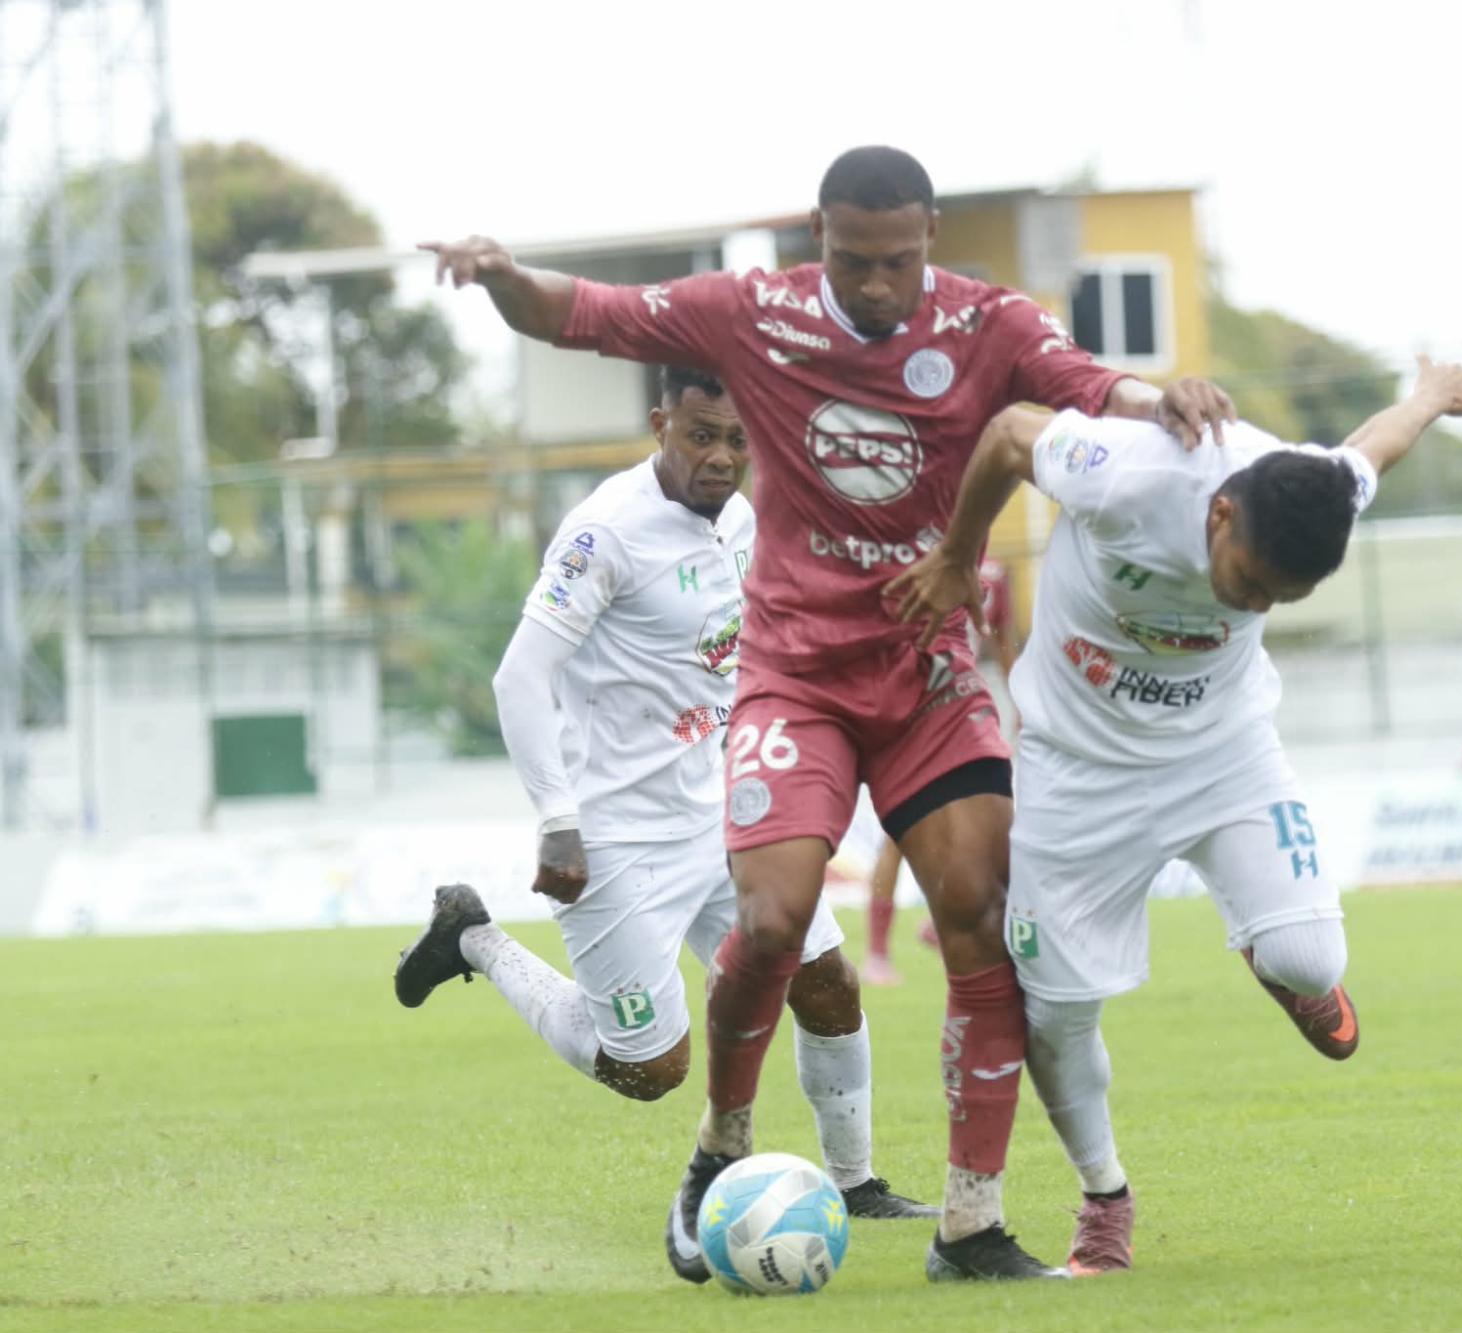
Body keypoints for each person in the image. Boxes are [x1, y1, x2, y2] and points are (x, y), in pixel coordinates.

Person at [420, 145, 1235, 1282]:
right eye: (853, 261)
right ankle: (719, 1148)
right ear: (818, 237)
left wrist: (1166, 396)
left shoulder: (983, 323)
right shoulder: (754, 320)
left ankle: (968, 1219)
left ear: (930, 240)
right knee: (761, 931)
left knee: (977, 917)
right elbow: (590, 313)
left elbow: (1090, 383)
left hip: (924, 679)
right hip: (789, 685)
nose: (875, 289)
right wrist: (501, 273)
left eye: (897, 262)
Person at [886, 356, 1462, 1273]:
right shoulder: (1136, 472)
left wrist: (1433, 396)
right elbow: (1013, 430)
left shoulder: (1314, 488)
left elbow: (1375, 444)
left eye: (1277, 600)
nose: (1252, 604)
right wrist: (956, 554)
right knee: (1054, 1016)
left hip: (1223, 754)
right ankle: (1105, 1199)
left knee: (1311, 957)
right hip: (1077, 771)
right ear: (1218, 512)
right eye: (1249, 580)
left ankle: (1272, 951)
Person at [391, 367, 933, 1254]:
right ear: (659, 426)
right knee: (647, 1070)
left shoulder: (744, 520)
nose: (720, 457)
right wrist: (556, 816)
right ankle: (475, 940)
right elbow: (520, 677)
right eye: (699, 436)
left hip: (727, 816)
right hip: (614, 835)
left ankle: (856, 1182)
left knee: (827, 983)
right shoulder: (605, 532)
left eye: (736, 439)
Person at [864, 557, 1018, 986]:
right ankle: (877, 951)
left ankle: (947, 920)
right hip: (908, 708)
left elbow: (1002, 640)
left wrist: (1017, 699)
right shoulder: (909, 556)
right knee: (899, 834)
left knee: (985, 825)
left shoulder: (993, 574)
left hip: (964, 707)